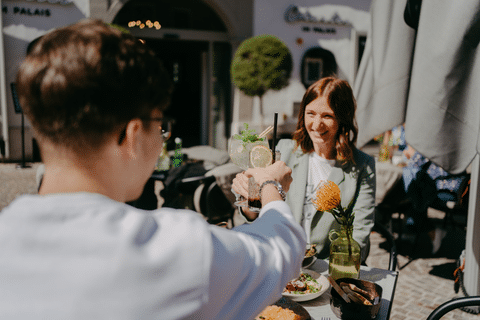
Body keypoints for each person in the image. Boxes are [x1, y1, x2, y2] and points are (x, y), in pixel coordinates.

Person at [0, 19, 306, 319]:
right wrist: (270, 185)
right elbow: (282, 249)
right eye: (159, 126)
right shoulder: (176, 251)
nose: (161, 140)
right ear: (132, 135)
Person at [235, 77, 376, 262]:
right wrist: (249, 201)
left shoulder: (362, 166)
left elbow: (359, 234)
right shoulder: (282, 151)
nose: (317, 125)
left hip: (328, 267)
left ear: (343, 118)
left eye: (327, 116)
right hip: (280, 259)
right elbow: (254, 216)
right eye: (311, 113)